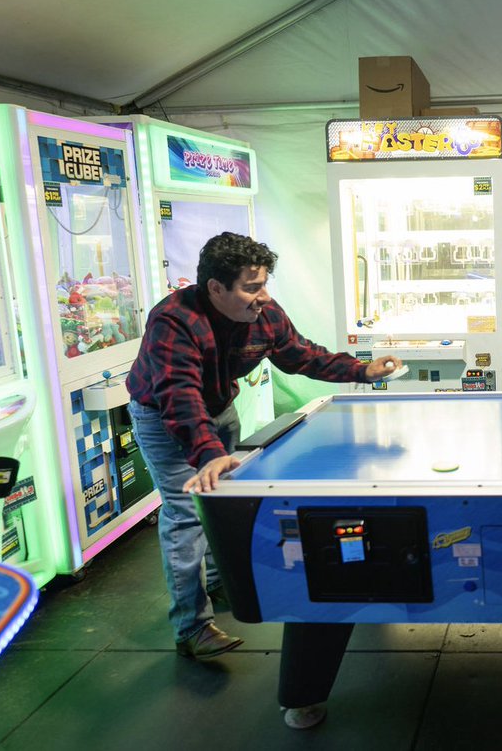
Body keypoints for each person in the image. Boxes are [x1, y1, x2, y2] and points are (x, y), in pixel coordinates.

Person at [126, 232, 400, 729]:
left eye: (265, 283)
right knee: (188, 511)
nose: (264, 296)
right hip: (164, 417)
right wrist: (207, 454)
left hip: (220, 406)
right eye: (252, 286)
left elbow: (302, 354)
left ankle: (218, 583)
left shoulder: (263, 314)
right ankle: (192, 626)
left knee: (222, 500)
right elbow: (178, 394)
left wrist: (363, 370)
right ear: (215, 287)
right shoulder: (173, 321)